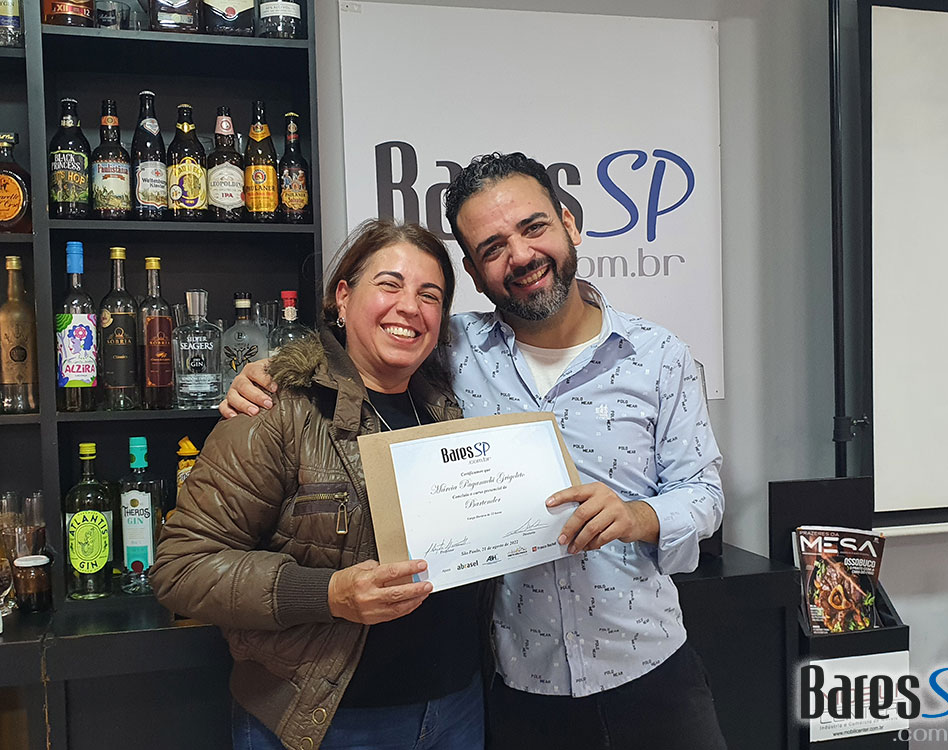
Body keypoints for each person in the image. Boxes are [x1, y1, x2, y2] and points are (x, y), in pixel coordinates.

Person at [223, 153, 727, 749]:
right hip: (519, 688)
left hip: (651, 668)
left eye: (534, 227)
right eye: (492, 248)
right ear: (473, 270)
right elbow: (361, 343)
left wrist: (640, 515)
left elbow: (704, 492)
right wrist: (278, 371)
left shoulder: (658, 355)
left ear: (569, 224)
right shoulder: (449, 347)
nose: (520, 256)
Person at [150, 219, 488, 750]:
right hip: (327, 724)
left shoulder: (446, 407)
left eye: (430, 295)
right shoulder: (274, 407)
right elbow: (181, 568)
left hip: (457, 708)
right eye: (390, 284)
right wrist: (327, 594)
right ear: (343, 297)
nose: (410, 307)